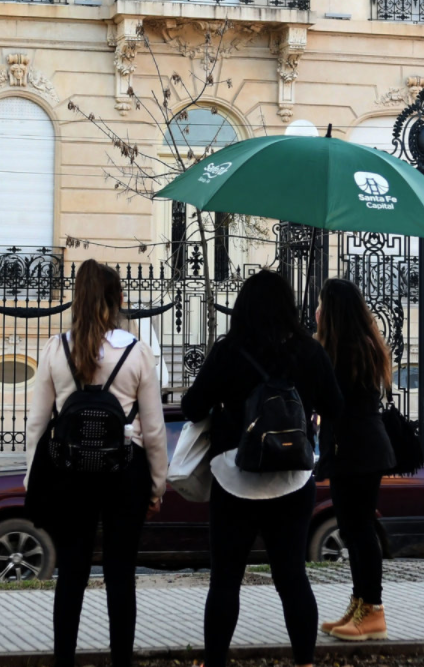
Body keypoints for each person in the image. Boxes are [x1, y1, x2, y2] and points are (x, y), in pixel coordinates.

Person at [181, 270, 344, 667]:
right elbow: (337, 408)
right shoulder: (310, 351)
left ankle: (215, 661)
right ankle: (304, 661)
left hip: (233, 478)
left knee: (225, 581)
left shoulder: (228, 350)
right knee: (292, 578)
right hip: (292, 479)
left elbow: (192, 407)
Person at [23, 259, 168, 667]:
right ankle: (121, 661)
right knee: (121, 573)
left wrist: (32, 479)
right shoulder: (138, 352)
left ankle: (64, 660)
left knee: (71, 571)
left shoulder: (55, 348)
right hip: (126, 471)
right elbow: (154, 430)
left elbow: (37, 424)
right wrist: (156, 485)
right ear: (119, 299)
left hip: (70, 474)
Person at [315, 278, 396, 641]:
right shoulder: (355, 345)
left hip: (358, 450)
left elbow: (332, 402)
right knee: (351, 528)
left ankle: (372, 610)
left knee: (360, 530)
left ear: (332, 310)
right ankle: (360, 603)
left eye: (320, 304)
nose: (315, 311)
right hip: (357, 449)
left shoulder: (346, 350)